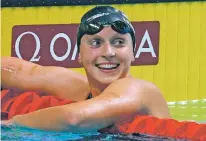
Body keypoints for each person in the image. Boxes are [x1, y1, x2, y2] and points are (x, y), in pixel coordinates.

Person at [1, 6, 170, 133]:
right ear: (79, 55)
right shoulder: (76, 87)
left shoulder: (139, 90)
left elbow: (74, 119)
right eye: (96, 43)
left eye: (119, 42)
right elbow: (20, 71)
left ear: (133, 52)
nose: (108, 53)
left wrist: (10, 125)